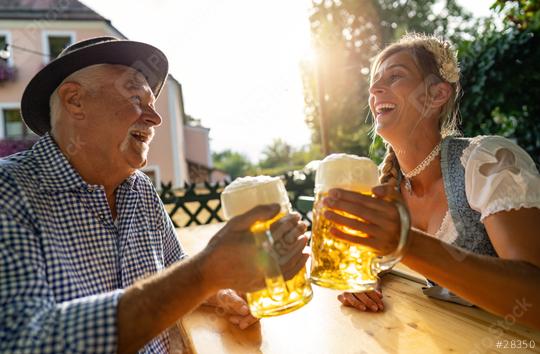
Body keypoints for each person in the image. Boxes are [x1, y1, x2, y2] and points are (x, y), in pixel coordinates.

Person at [0, 37, 309, 353]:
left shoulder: (139, 188)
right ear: (75, 100)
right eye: (135, 97)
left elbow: (173, 267)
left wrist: (217, 291)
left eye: (152, 103)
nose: (155, 118)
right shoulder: (8, 190)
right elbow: (25, 341)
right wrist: (205, 273)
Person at [324, 33, 540, 329]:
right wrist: (363, 280)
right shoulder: (383, 184)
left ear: (437, 95)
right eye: (374, 81)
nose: (374, 88)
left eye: (395, 76)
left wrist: (406, 243)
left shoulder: (486, 161)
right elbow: (368, 264)